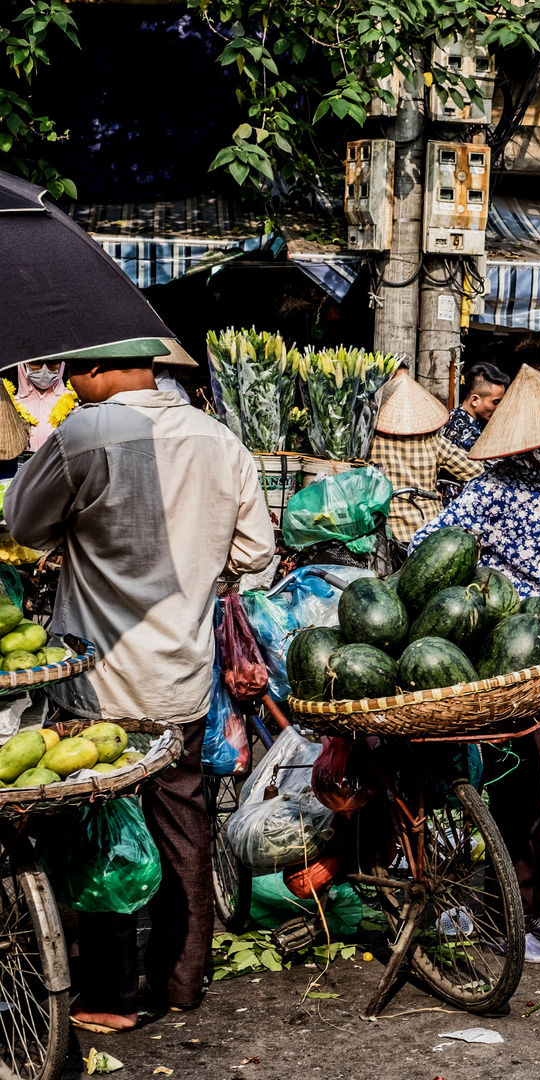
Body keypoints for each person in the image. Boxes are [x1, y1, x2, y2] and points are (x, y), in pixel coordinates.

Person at [6, 349, 275, 1029]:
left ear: (95, 371)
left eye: (70, 372)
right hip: (181, 679)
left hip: (96, 685)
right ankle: (183, 980)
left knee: (98, 832)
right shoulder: (220, 440)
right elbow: (254, 553)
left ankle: (109, 996)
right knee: (183, 824)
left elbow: (23, 526)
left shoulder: (83, 436)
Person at [414, 364, 540, 963]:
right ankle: (507, 914)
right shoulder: (492, 488)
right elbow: (427, 547)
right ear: (529, 441)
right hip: (514, 656)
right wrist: (482, 592)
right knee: (523, 785)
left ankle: (535, 903)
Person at [370, 371, 483, 542]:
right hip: (426, 530)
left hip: (384, 531)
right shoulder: (432, 440)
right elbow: (476, 471)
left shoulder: (369, 440)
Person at [441, 361, 511, 451]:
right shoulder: (464, 433)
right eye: (495, 402)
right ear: (474, 400)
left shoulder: (452, 416)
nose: (500, 407)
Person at [8, 360, 77, 451]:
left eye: (52, 363)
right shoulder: (10, 405)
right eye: (36, 363)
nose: (44, 370)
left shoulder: (74, 404)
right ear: (23, 364)